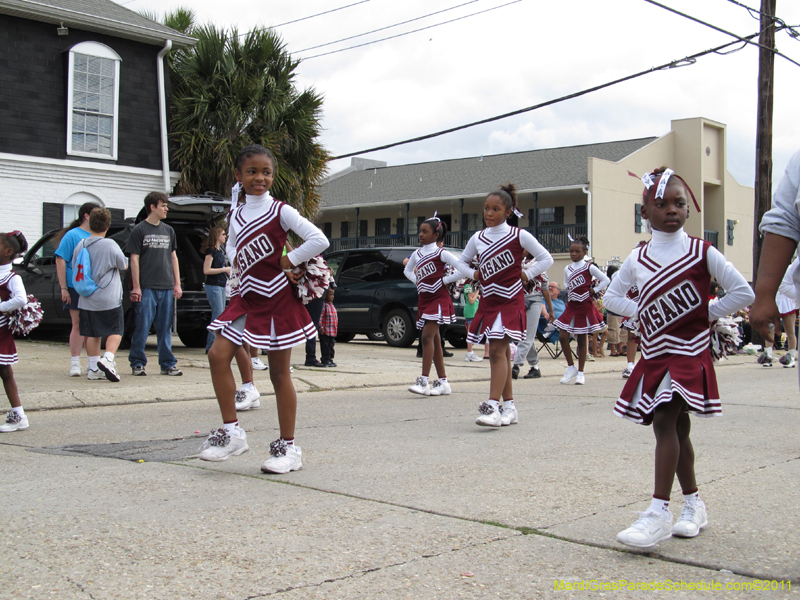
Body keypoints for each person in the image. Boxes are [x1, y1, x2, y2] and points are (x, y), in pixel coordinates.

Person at [604, 167, 754, 549]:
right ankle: (694, 504)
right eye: (661, 204)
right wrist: (642, 311)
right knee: (678, 429)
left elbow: (743, 292)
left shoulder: (703, 251)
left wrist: (708, 310)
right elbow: (610, 298)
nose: (671, 209)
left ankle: (658, 512)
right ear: (645, 212)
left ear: (688, 210)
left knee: (665, 419)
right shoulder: (638, 258)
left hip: (688, 354)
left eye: (679, 203)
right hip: (655, 356)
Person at [201, 144, 328, 473]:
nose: (260, 177)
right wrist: (235, 264)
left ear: (273, 176)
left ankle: (288, 449)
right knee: (217, 354)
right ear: (239, 176)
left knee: (278, 373)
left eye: (266, 172)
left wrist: (289, 259)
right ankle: (232, 433)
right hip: (246, 297)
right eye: (252, 171)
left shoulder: (280, 211)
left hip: (276, 299)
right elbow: (231, 245)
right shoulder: (236, 213)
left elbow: (318, 240)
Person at [456, 183, 554, 427]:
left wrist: (526, 275)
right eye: (486, 209)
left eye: (495, 209)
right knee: (499, 355)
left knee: (498, 352)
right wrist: (475, 275)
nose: (489, 213)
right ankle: (509, 408)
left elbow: (546, 259)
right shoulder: (477, 238)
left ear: (508, 212)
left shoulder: (519, 236)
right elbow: (461, 263)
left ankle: (492, 406)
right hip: (489, 300)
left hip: (510, 299)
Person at [752, 148, 800, 388]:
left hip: (790, 303)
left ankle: (790, 353)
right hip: (787, 300)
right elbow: (785, 221)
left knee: (789, 331)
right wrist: (764, 294)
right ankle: (774, 353)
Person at [126, 192, 183, 377]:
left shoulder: (169, 231)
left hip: (166, 286)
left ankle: (167, 364)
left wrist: (177, 284)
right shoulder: (139, 230)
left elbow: (173, 257)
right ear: (152, 207)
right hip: (147, 286)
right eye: (163, 205)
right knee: (142, 325)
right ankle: (137, 363)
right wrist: (136, 286)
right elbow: (134, 260)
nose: (166, 208)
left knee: (165, 327)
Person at [404, 216, 462, 396]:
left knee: (426, 337)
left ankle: (424, 381)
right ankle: (443, 382)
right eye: (420, 231)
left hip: (439, 299)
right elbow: (406, 270)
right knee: (435, 340)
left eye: (425, 232)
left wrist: (443, 281)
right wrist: (418, 281)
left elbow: (462, 268)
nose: (420, 235)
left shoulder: (441, 253)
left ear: (436, 234)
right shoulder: (417, 254)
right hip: (424, 299)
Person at [72, 208, 129, 382]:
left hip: (87, 298)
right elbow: (123, 265)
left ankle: (92, 367)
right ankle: (108, 358)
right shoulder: (111, 244)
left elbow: (75, 265)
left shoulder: (81, 244)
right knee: (116, 330)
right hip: (108, 297)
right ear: (107, 226)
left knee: (92, 333)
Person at [553, 237, 610, 385]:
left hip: (584, 305)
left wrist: (594, 290)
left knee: (581, 338)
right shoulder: (567, 268)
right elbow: (567, 283)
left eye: (577, 251)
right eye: (571, 251)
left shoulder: (589, 267)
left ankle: (581, 372)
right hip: (571, 305)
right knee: (563, 335)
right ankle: (570, 367)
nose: (573, 254)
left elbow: (605, 280)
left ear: (584, 252)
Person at [55, 201, 97, 376]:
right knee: (78, 324)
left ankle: (92, 363)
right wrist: (64, 287)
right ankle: (74, 363)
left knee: (92, 326)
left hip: (93, 286)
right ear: (86, 215)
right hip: (75, 285)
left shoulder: (97, 235)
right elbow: (60, 259)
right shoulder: (72, 235)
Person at [0, 232, 30, 432]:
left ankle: (19, 415)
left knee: (5, 371)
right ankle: (19, 414)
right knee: (4, 372)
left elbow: (21, 299)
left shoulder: (12, 277)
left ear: (8, 252)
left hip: (0, 331)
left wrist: (1, 307)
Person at [511, 253, 554, 380]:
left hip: (535, 301)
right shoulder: (516, 261)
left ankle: (516, 366)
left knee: (527, 335)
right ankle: (535, 367)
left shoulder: (539, 264)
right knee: (523, 336)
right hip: (518, 301)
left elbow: (545, 288)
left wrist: (551, 310)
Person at [201, 227, 231, 353]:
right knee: (217, 315)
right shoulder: (211, 251)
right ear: (217, 235)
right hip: (213, 286)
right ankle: (211, 345)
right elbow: (206, 270)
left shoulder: (221, 251)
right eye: (223, 234)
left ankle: (216, 344)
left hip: (221, 285)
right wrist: (224, 270)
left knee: (221, 314)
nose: (225, 236)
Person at [319, 286, 338, 367]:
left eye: (333, 295)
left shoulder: (332, 306)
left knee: (331, 346)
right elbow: (320, 317)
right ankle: (325, 359)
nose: (332, 296)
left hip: (332, 331)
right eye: (330, 294)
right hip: (325, 331)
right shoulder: (324, 306)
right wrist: (320, 327)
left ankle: (330, 359)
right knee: (325, 346)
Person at [463, 283, 482, 361]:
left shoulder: (473, 287)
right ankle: (470, 352)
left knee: (473, 333)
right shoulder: (468, 286)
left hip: (475, 311)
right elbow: (471, 300)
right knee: (470, 333)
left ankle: (470, 352)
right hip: (470, 312)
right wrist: (477, 292)